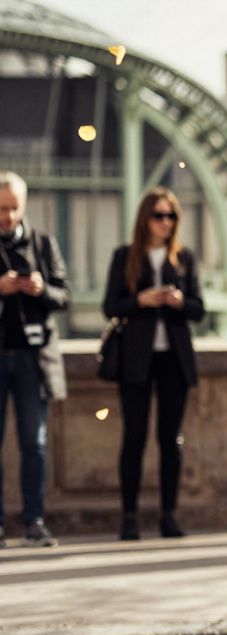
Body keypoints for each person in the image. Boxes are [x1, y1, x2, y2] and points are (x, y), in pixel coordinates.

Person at [102, 187, 206, 541]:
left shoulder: (185, 258)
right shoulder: (125, 256)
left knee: (171, 439)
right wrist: (140, 300)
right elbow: (110, 307)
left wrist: (179, 301)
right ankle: (129, 516)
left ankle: (169, 515)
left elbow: (199, 309)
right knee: (134, 436)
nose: (165, 222)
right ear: (145, 219)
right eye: (159, 215)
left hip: (174, 358)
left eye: (171, 216)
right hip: (136, 359)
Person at [0, 172, 68, 548]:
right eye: (1, 209)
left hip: (32, 358)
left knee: (34, 442)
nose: (8, 217)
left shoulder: (43, 243)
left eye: (14, 208)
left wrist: (41, 289)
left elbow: (65, 295)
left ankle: (34, 521)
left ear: (24, 206)